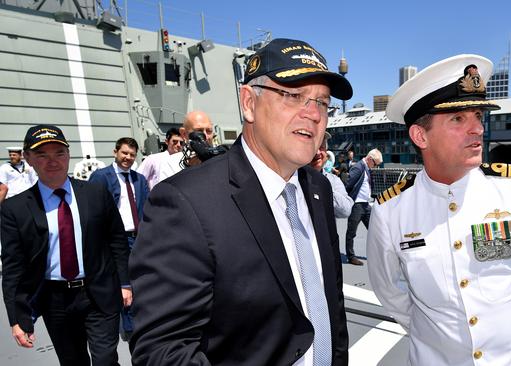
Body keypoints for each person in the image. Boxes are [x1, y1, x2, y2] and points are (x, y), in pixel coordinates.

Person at [129, 38, 352, 366]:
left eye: (321, 102)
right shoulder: (186, 202)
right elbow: (163, 351)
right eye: (293, 96)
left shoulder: (318, 189)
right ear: (248, 103)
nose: (313, 115)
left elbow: (332, 306)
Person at [368, 55, 511, 366]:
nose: (477, 128)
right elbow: (386, 286)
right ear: (420, 136)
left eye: (478, 115)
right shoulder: (391, 210)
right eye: (458, 119)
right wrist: (429, 328)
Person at [1, 124, 130, 366]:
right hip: (55, 300)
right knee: (72, 361)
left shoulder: (96, 193)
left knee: (105, 359)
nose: (53, 161)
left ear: (69, 155)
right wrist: (16, 317)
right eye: (42, 155)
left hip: (98, 291)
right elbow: (13, 267)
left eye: (59, 153)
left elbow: (116, 239)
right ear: (28, 158)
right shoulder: (15, 209)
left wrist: (125, 282)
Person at [89, 137, 149, 340]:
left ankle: (140, 319)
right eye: (124, 153)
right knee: (122, 282)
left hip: (138, 238)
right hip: (115, 240)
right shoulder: (100, 177)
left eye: (132, 155)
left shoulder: (139, 179)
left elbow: (146, 208)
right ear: (115, 152)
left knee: (140, 280)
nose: (128, 158)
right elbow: (93, 209)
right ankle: (130, 327)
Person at [344, 148, 382, 265]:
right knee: (351, 232)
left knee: (374, 229)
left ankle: (377, 255)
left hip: (366, 205)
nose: (375, 166)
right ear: (370, 159)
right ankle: (351, 256)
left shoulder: (367, 168)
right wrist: (349, 200)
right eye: (375, 164)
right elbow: (348, 184)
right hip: (357, 205)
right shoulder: (358, 167)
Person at [158, 110, 215, 180]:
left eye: (209, 131)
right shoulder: (170, 165)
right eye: (199, 131)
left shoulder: (222, 160)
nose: (205, 136)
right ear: (184, 134)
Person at [310, 132, 353, 218]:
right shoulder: (293, 178)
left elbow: (346, 211)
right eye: (312, 147)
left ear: (326, 153)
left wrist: (322, 187)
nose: (317, 152)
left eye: (321, 147)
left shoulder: (333, 180)